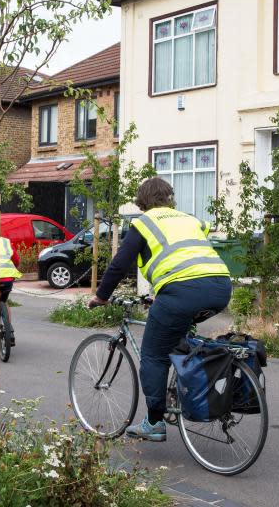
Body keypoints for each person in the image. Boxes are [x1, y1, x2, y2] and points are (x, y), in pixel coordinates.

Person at [88, 177, 231, 442]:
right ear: (168, 198)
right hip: (220, 287)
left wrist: (102, 296)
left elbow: (119, 265)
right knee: (177, 338)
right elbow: (185, 257)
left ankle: (154, 423)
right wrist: (162, 295)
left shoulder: (144, 223)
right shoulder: (189, 219)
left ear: (142, 202)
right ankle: (189, 389)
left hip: (182, 293)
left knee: (153, 354)